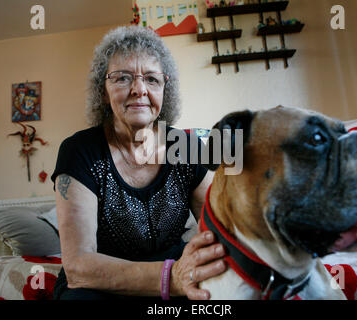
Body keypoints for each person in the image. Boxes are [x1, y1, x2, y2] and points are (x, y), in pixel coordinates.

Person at [51, 26, 226, 300]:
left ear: (164, 92)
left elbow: (220, 226)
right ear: (103, 93)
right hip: (100, 280)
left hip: (171, 262)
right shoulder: (79, 151)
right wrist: (172, 277)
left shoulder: (186, 146)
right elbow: (78, 266)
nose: (139, 89)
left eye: (152, 80)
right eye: (122, 78)